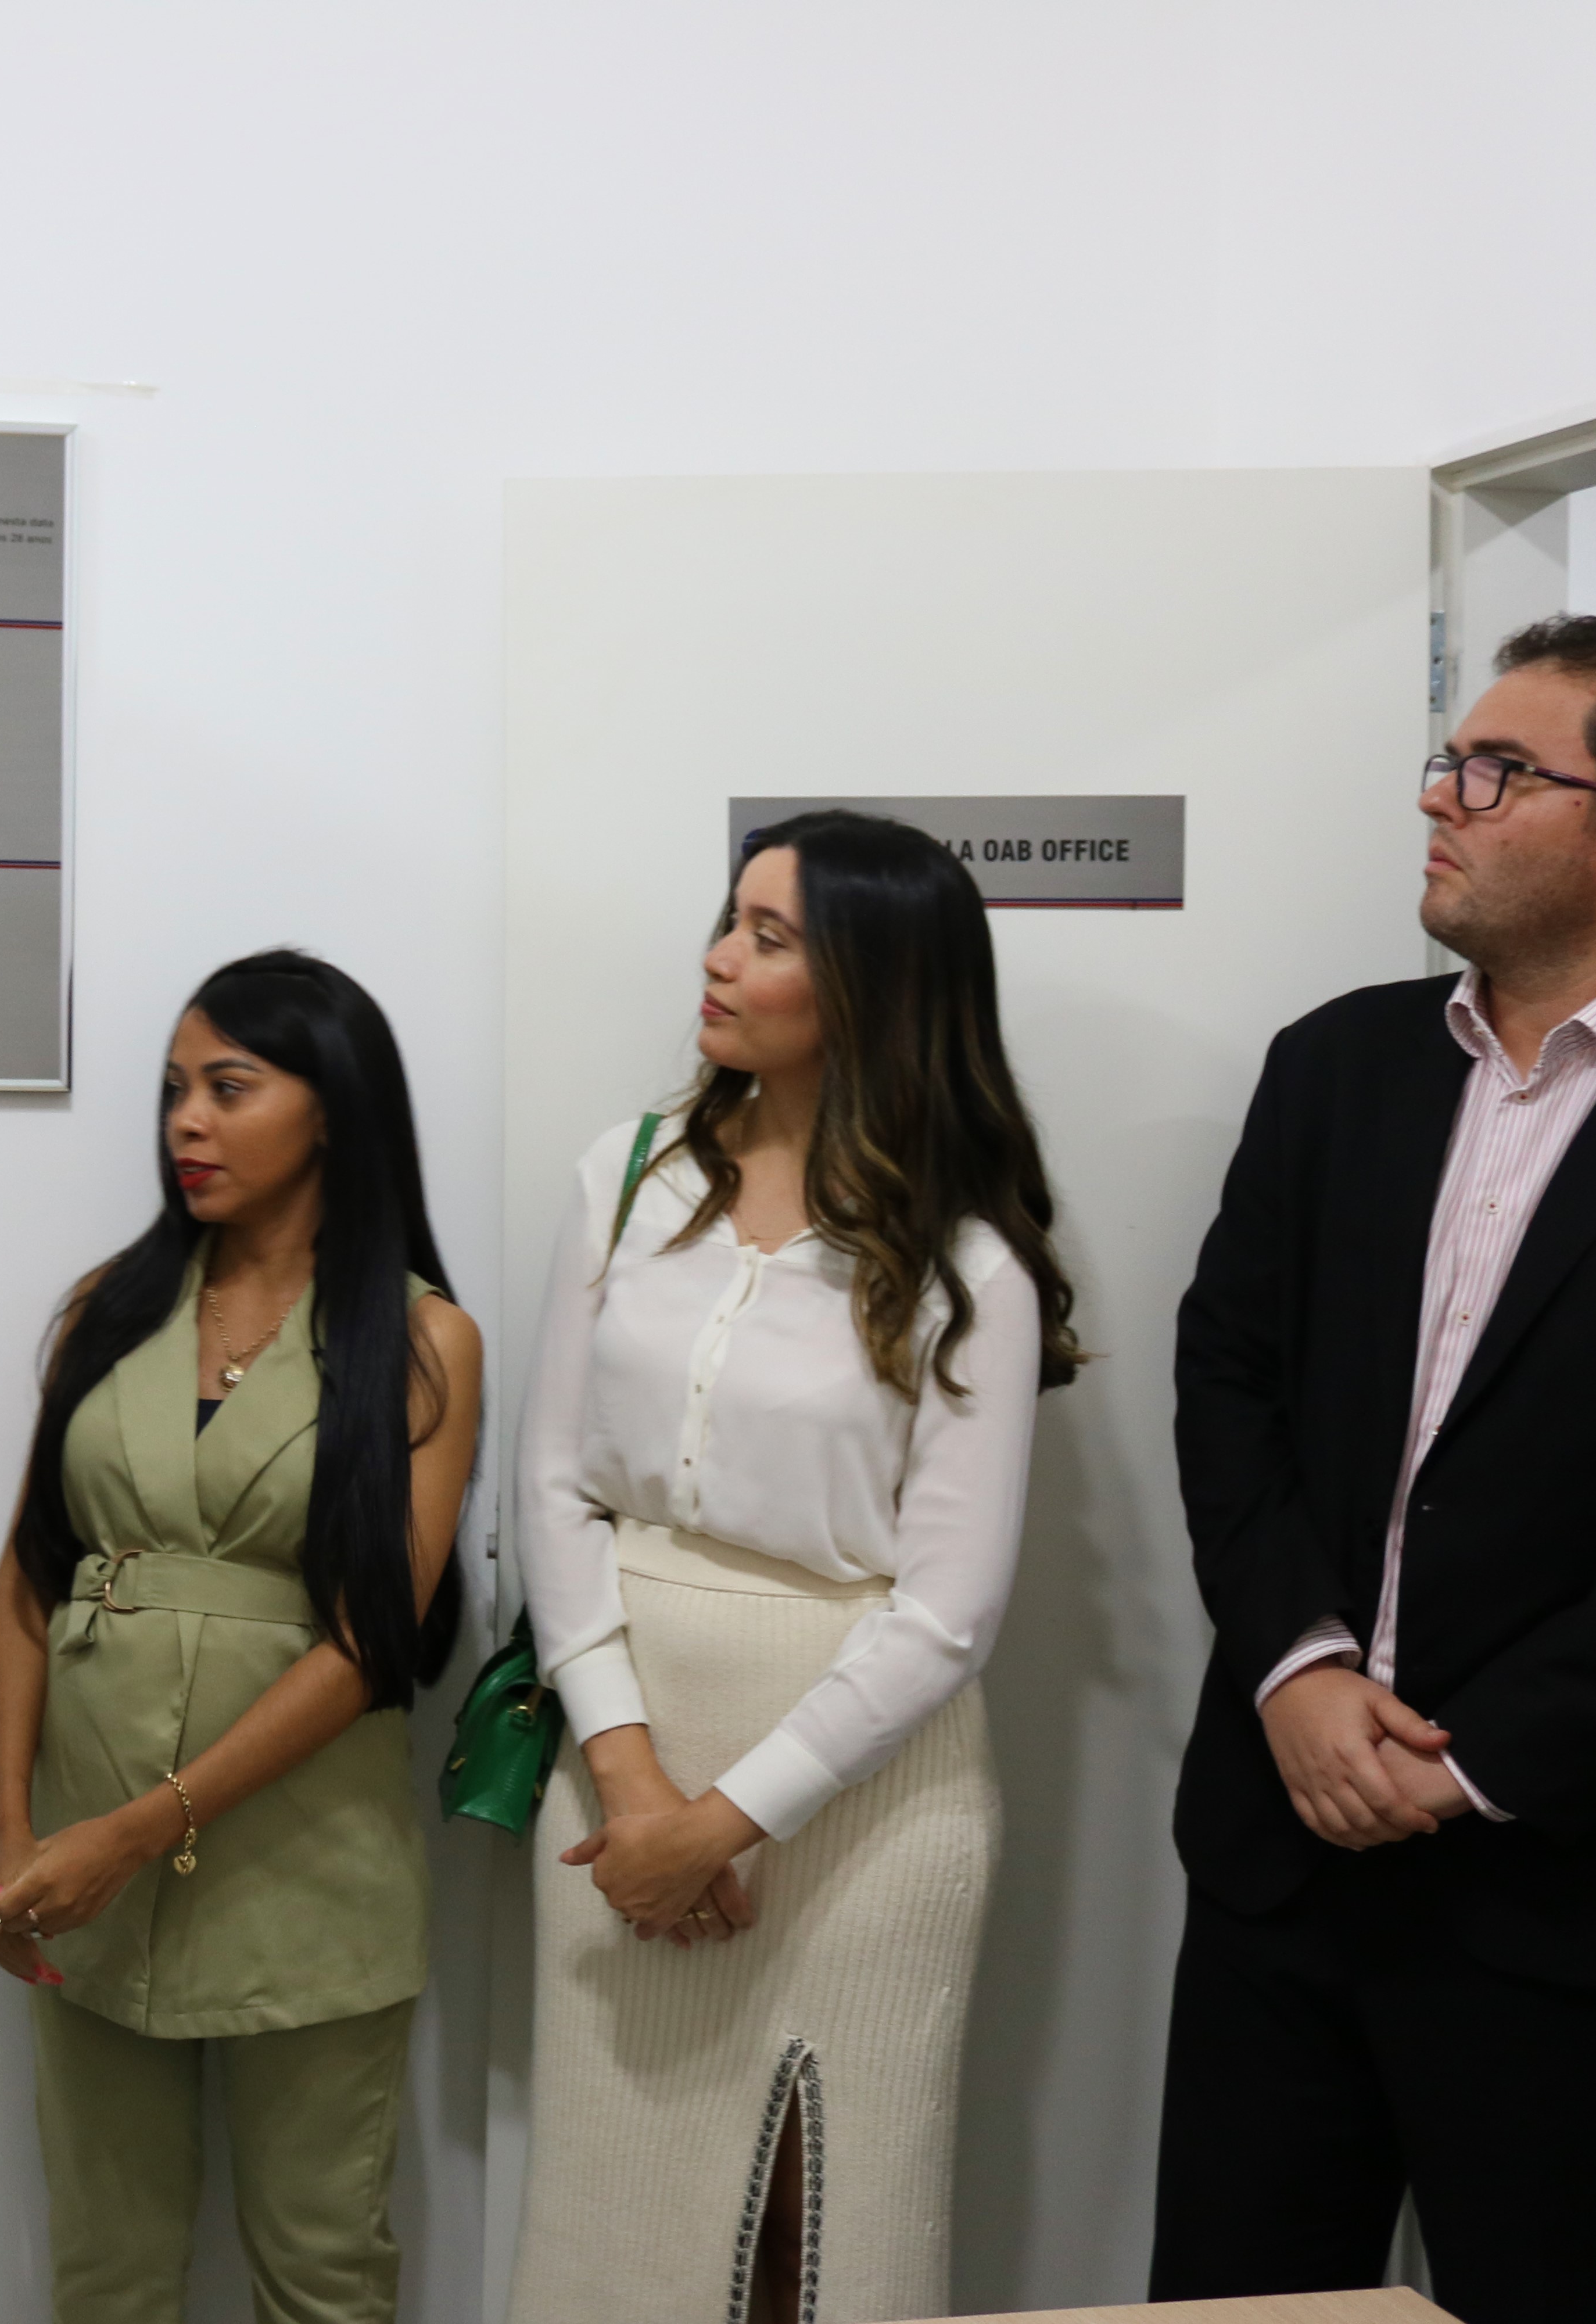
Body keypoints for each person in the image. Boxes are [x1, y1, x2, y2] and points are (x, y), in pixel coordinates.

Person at [1150, 614, 1596, 2319]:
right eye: (1452, 760)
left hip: (1564, 1886)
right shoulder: (1338, 1063)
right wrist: (1296, 1668)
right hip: (1280, 1858)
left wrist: (1478, 1762)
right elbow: (1228, 1382)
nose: (1442, 797)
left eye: (1501, 771)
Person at [507, 810, 1079, 2324]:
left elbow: (948, 1613)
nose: (717, 958)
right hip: (620, 1751)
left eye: (768, 937)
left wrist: (726, 1820)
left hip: (864, 1799)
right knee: (612, 2216)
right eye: (729, 919)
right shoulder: (627, 1173)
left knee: (813, 2236)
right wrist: (634, 1786)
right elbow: (551, 1486)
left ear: (874, 986)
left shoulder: (969, 1260)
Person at [0, 948, 482, 2324]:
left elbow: (371, 1638)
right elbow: (28, 1580)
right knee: (106, 2276)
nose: (186, 1121)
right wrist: (10, 1828)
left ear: (334, 1109)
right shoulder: (110, 1306)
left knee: (320, 2273)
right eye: (173, 1090)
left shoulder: (422, 1340)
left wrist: (136, 1830)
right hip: (77, 1870)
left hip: (307, 1872)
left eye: (229, 1087)